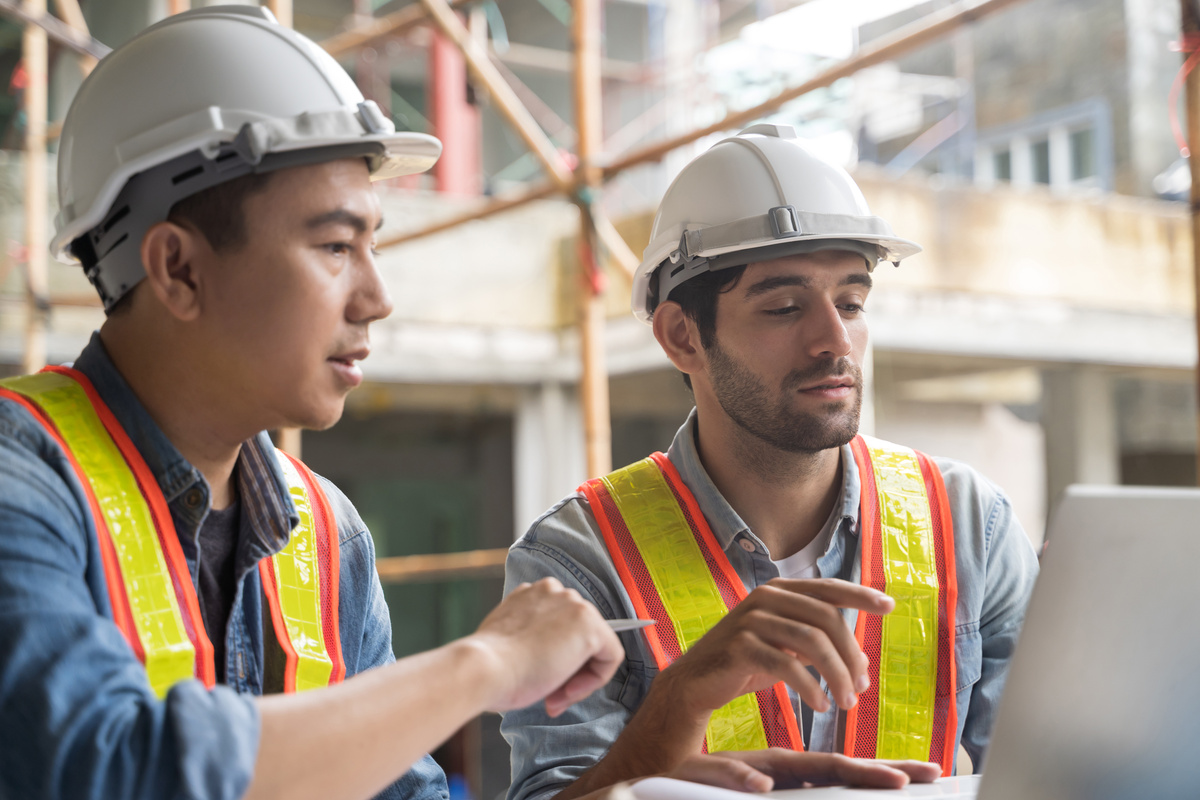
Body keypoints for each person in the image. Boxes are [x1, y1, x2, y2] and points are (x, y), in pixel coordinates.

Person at [0, 10, 943, 800]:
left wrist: (649, 772)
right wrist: (482, 667)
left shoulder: (323, 535)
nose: (375, 297)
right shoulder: (23, 480)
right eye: (335, 247)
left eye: (373, 246)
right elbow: (104, 765)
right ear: (177, 265)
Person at [502, 123, 1041, 800]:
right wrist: (678, 702)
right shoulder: (579, 560)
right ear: (681, 335)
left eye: (851, 302)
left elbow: (1057, 777)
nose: (834, 340)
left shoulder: (968, 523)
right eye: (785, 307)